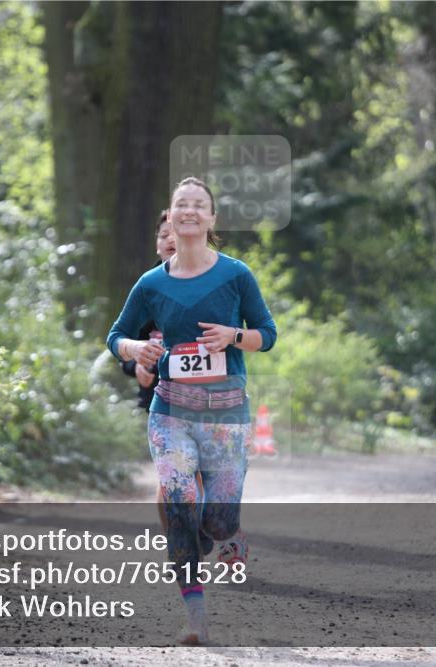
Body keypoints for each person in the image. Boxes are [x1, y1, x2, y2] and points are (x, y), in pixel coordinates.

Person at [107, 176, 277, 645]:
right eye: (181, 204)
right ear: (171, 214)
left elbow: (268, 332)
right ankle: (195, 618)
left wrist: (234, 336)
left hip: (225, 416)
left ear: (211, 218)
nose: (189, 211)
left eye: (198, 205)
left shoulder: (236, 275)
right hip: (171, 413)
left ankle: (227, 535)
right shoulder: (151, 284)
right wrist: (135, 347)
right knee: (179, 499)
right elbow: (115, 336)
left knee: (217, 521)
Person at [119, 210, 175, 411]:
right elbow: (121, 342)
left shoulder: (210, 285)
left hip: (203, 403)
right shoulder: (145, 289)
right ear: (156, 245)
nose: (170, 240)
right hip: (155, 402)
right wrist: (137, 366)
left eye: (177, 234)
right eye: (164, 235)